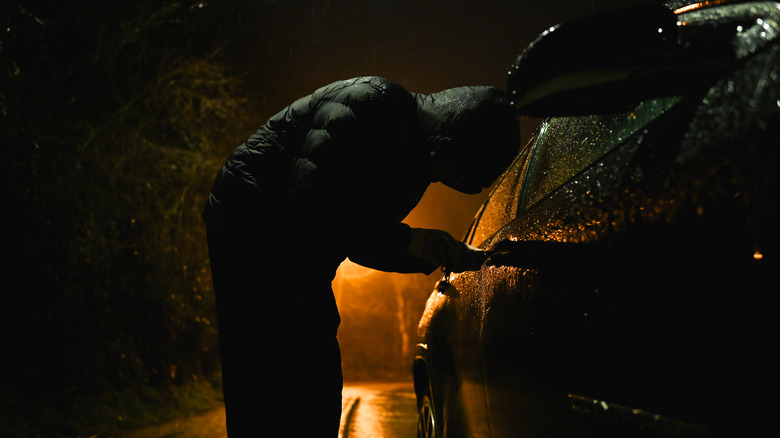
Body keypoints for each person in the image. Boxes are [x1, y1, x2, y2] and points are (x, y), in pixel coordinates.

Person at [203, 76, 521, 436]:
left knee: (309, 358)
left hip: (296, 244)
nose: (454, 181)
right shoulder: (368, 106)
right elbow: (308, 206)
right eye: (463, 171)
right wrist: (410, 240)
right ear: (453, 143)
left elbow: (361, 242)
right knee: (266, 359)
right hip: (248, 219)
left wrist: (430, 251)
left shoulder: (415, 164)